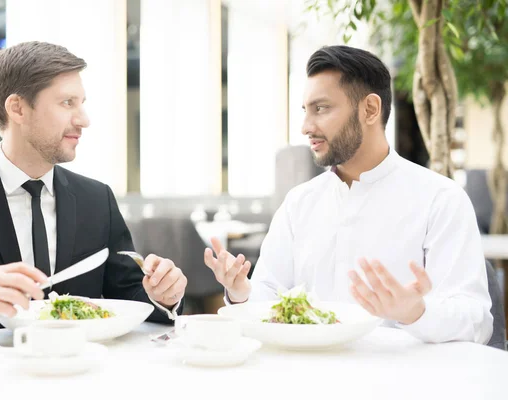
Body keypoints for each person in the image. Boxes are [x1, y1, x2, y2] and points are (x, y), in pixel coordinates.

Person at [204, 45, 493, 344]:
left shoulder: (440, 199)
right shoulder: (299, 202)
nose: (306, 127)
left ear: (370, 109)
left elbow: (477, 323)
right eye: (306, 111)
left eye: (321, 108)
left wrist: (416, 312)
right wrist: (240, 292)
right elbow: (267, 298)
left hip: (401, 382)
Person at [0, 41, 187, 344]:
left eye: (81, 103)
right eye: (67, 103)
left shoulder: (97, 200)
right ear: (17, 108)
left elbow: (132, 298)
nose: (84, 119)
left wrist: (163, 294)